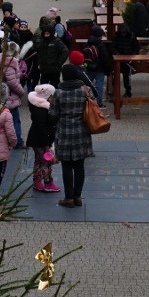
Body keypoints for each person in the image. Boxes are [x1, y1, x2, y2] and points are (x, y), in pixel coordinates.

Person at [49, 64, 93, 208]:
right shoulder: (84, 90)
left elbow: (53, 115)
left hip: (64, 133)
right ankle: (78, 196)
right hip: (81, 132)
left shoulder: (58, 92)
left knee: (66, 166)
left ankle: (68, 198)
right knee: (80, 165)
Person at [26, 84, 61, 192]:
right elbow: (42, 128)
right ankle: (48, 183)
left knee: (39, 160)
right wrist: (48, 143)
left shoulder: (36, 106)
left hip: (35, 138)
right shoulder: (42, 110)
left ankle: (37, 182)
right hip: (41, 140)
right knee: (47, 161)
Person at [0, 41, 26, 148]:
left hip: (6, 96)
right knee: (14, 121)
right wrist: (21, 92)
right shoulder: (9, 64)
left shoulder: (2, 61)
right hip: (10, 97)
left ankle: (9, 141)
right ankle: (17, 141)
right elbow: (12, 82)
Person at [83, 26, 113, 106]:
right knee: (99, 86)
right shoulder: (100, 44)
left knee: (87, 84)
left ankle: (85, 101)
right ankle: (99, 103)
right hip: (100, 68)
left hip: (89, 67)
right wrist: (108, 70)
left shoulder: (88, 43)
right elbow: (105, 58)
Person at [111, 23, 141, 98]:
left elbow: (136, 48)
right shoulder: (116, 37)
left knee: (126, 77)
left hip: (128, 59)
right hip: (118, 59)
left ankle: (128, 91)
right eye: (122, 33)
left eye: (124, 33)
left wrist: (132, 56)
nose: (123, 34)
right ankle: (115, 93)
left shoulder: (132, 37)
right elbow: (112, 48)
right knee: (115, 77)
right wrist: (117, 54)